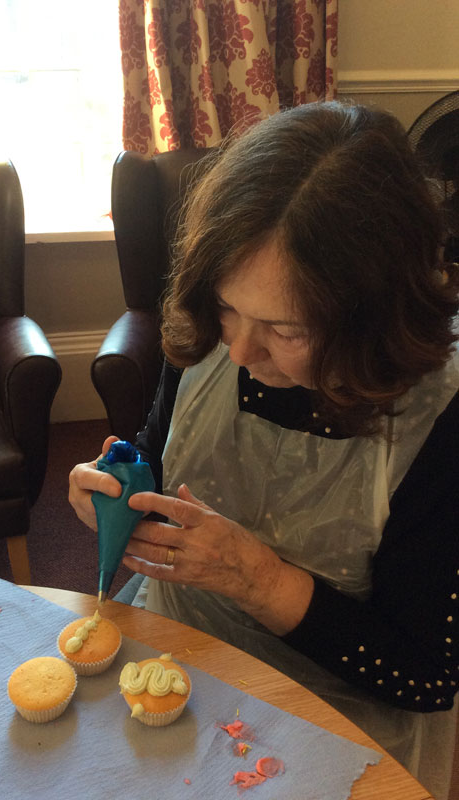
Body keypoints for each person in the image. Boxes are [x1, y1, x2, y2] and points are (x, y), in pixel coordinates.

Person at [69, 101, 459, 799]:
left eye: (287, 329)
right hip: (179, 644)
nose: (240, 353)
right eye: (227, 308)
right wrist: (120, 485)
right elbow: (160, 454)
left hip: (336, 706)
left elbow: (424, 676)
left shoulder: (441, 419)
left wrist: (260, 580)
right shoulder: (212, 337)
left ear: (373, 317)